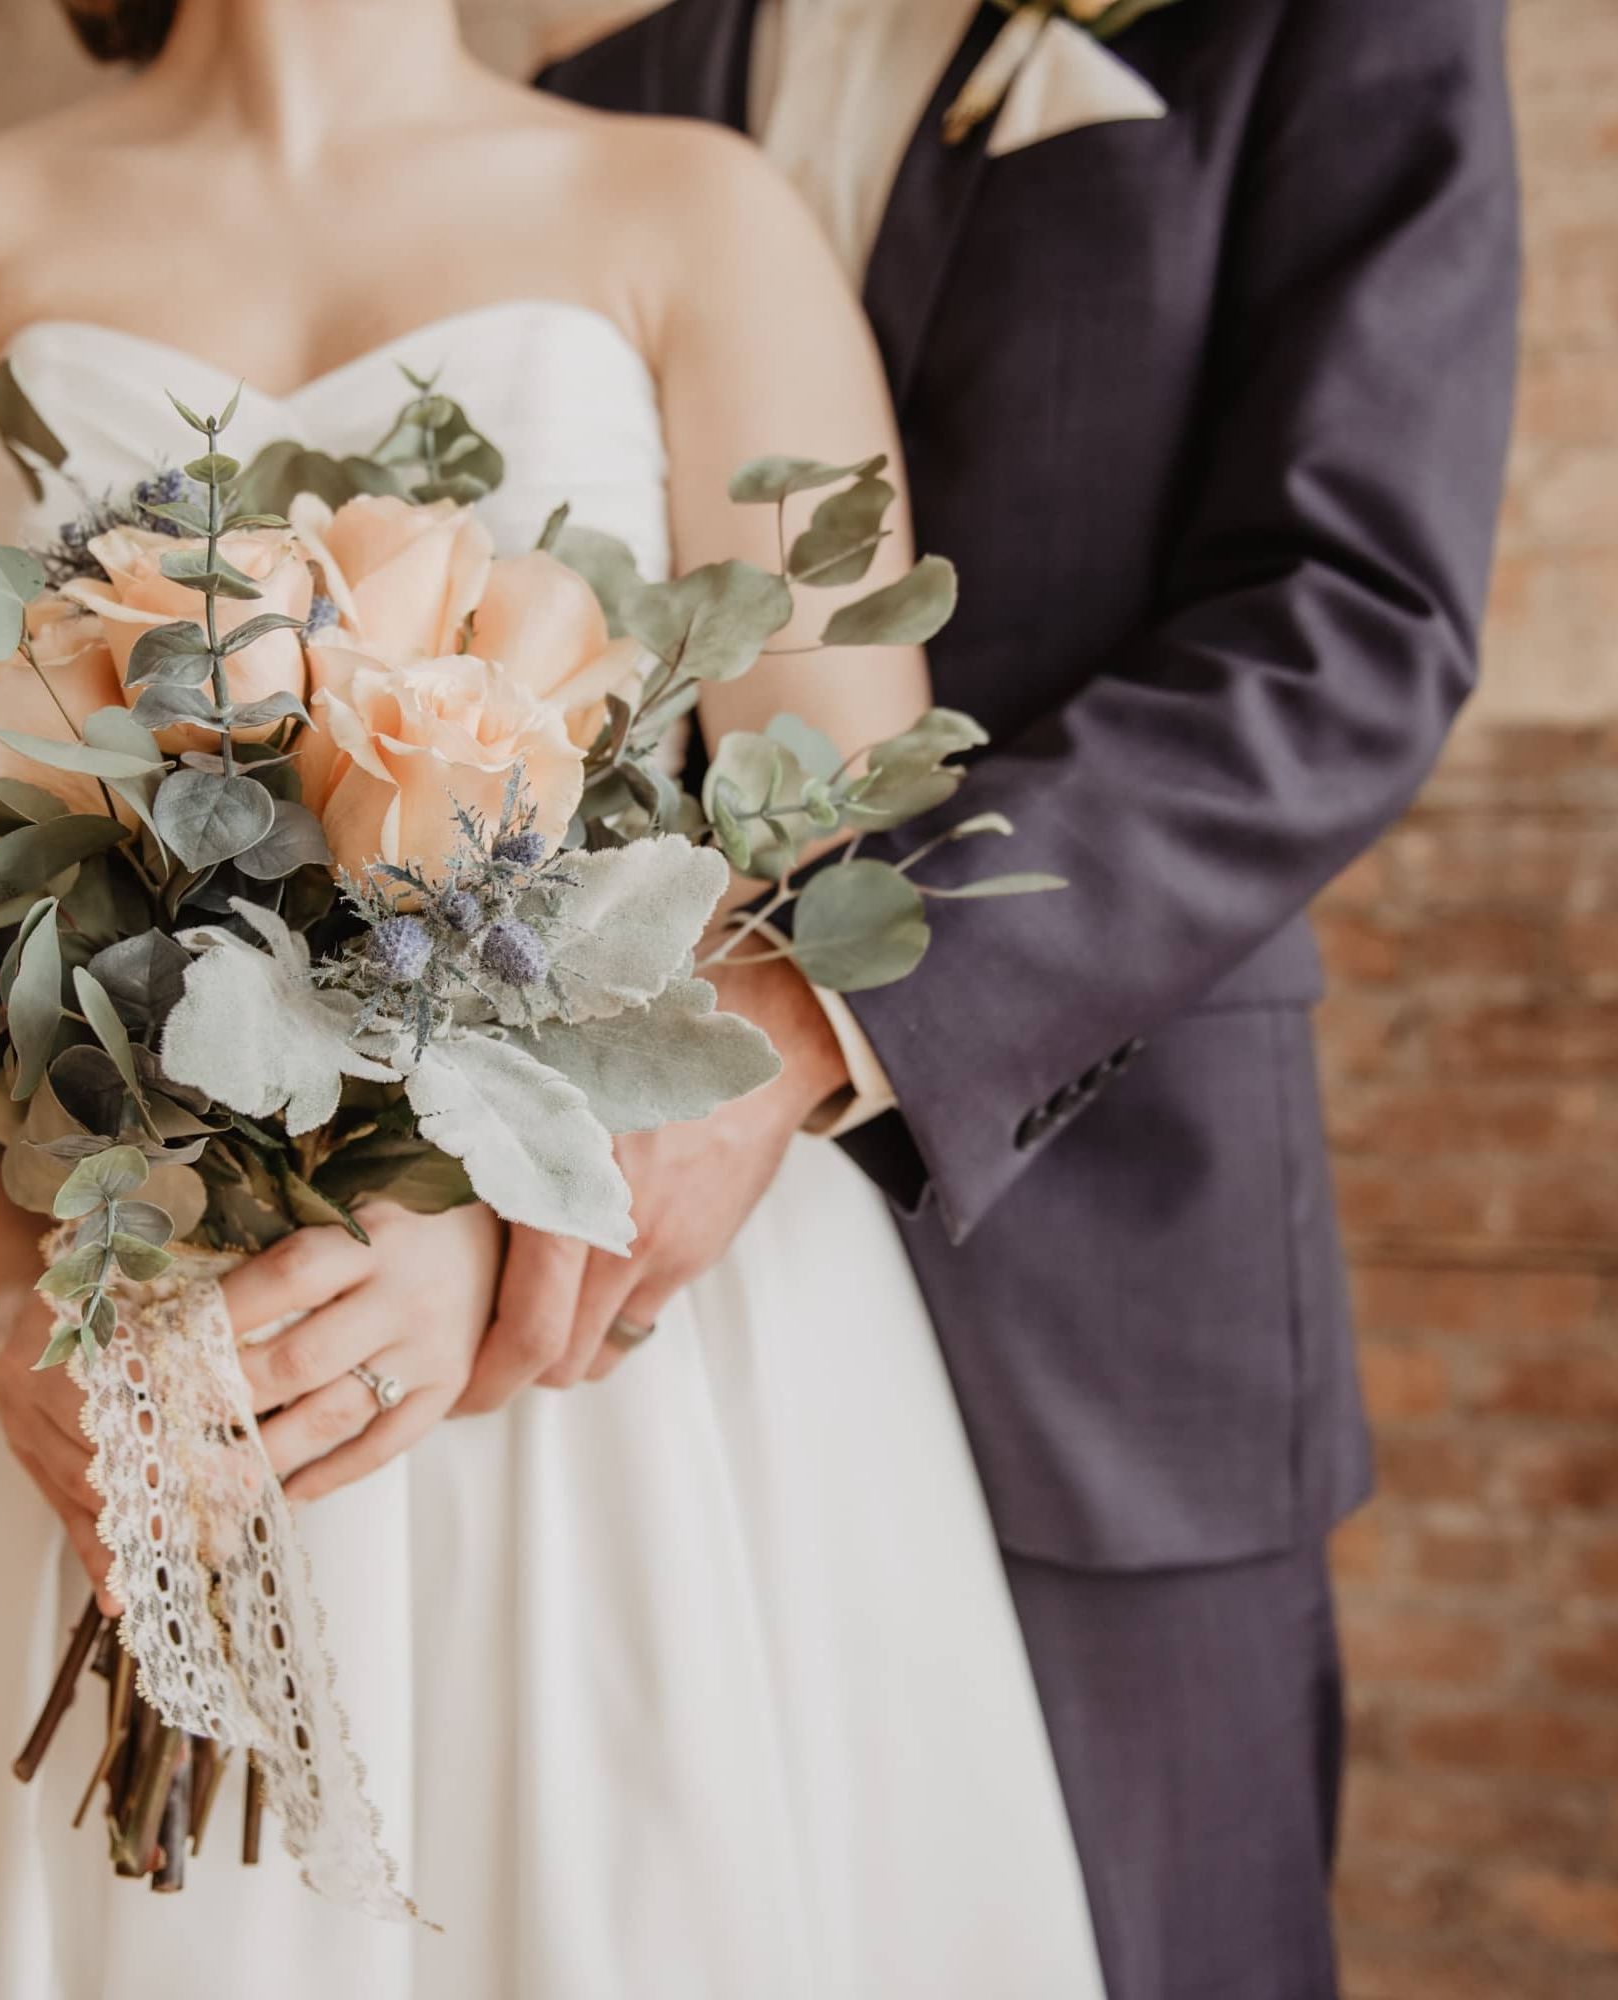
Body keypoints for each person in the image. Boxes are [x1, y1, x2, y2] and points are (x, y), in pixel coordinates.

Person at [0, 2, 1111, 1995]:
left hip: (577, 1362)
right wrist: (16, 1297)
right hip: (85, 1305)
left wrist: (478, 1208)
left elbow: (839, 850)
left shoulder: (691, 213)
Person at [521, 3, 1522, 1996]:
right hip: (619, 1354)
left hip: (1102, 1271)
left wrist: (815, 1010)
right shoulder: (598, 86)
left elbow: (1347, 624)